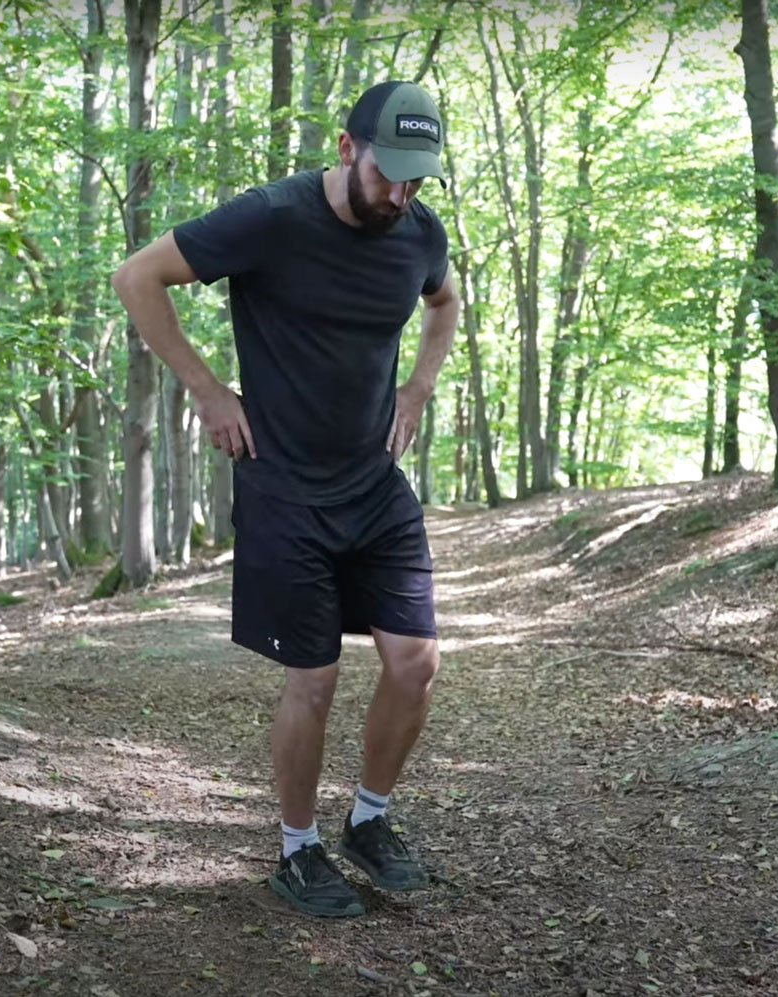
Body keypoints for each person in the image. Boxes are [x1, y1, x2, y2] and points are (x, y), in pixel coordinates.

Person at [111, 80, 459, 918]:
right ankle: (297, 849)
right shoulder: (271, 218)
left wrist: (418, 384)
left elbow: (445, 302)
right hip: (285, 485)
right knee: (316, 677)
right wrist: (205, 388)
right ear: (348, 149)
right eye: (390, 173)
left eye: (418, 178)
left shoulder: (419, 233)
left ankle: (368, 821)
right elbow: (137, 277)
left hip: (375, 482)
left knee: (416, 662)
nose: (401, 193)